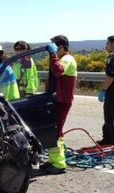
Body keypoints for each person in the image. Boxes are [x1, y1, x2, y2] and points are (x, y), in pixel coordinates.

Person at [41, 35, 77, 174]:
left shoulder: (67, 59)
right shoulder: (62, 59)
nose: (54, 51)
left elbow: (58, 70)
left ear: (61, 47)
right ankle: (53, 160)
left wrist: (53, 55)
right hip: (57, 99)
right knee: (52, 130)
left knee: (57, 132)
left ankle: (59, 164)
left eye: (55, 47)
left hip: (63, 100)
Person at [97, 35, 114, 150]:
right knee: (110, 116)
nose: (106, 46)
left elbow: (110, 77)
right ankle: (107, 139)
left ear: (113, 44)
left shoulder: (113, 57)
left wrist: (103, 90)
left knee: (111, 118)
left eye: (107, 43)